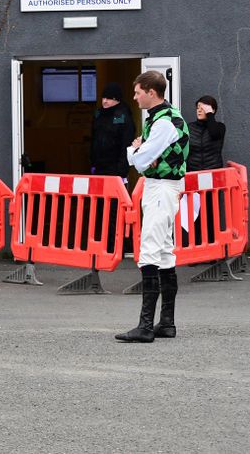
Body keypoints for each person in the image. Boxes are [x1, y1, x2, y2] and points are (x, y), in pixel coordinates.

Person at [116, 71, 189, 343]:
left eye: (137, 92)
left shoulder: (163, 123)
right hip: (164, 187)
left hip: (161, 187)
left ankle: (145, 326)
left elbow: (142, 159)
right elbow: (148, 159)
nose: (134, 98)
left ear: (150, 91)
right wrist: (144, 155)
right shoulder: (166, 117)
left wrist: (134, 151)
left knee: (149, 251)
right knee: (165, 253)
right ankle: (166, 323)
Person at [185, 95, 226, 245]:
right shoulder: (189, 128)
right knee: (194, 214)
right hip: (193, 177)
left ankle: (212, 248)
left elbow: (214, 133)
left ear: (212, 110)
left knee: (211, 213)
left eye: (203, 108)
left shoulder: (219, 127)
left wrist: (210, 116)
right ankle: (196, 249)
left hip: (212, 177)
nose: (199, 110)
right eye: (198, 108)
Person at [90, 82, 135, 178]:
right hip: (99, 166)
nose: (105, 101)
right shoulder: (98, 114)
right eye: (103, 98)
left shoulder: (123, 116)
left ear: (117, 100)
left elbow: (126, 143)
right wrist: (93, 162)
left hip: (115, 168)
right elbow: (94, 139)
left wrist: (122, 170)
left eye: (109, 98)